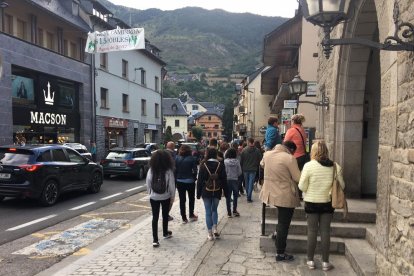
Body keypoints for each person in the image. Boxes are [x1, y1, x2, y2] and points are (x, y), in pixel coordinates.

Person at [298, 140, 345, 271]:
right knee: (325, 232)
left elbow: (301, 186)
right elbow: (343, 185)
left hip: (311, 203)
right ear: (326, 151)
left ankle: (310, 261)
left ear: (313, 152)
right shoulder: (335, 166)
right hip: (327, 204)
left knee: (312, 231)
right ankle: (325, 262)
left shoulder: (308, 166)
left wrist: (310, 188)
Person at [259, 141, 301, 262]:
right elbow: (297, 178)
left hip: (270, 193)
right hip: (285, 194)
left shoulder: (267, 154)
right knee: (284, 223)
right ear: (291, 149)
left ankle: (277, 235)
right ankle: (280, 253)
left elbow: (262, 164)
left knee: (281, 222)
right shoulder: (289, 158)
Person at [146, 150, 176, 248]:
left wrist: (150, 193)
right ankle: (165, 232)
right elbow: (172, 185)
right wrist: (172, 196)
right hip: (165, 196)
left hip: (154, 197)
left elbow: (148, 183)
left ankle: (155, 239)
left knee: (155, 217)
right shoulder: (168, 170)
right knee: (165, 215)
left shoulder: (151, 169)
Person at [197, 147, 227, 240]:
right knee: (214, 210)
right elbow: (224, 180)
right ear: (216, 154)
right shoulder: (220, 165)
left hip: (206, 191)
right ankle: (215, 229)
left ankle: (209, 234)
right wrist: (225, 191)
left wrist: (198, 194)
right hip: (217, 190)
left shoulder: (203, 165)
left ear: (207, 154)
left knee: (208, 211)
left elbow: (199, 180)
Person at [175, 144, 199, 223]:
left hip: (179, 181)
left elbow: (175, 170)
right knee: (191, 198)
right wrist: (194, 177)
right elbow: (195, 170)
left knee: (182, 199)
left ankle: (184, 217)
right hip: (190, 181)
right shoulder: (192, 159)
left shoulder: (177, 158)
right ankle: (191, 214)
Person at [240, 138, 262, 202]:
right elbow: (260, 160)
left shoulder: (244, 150)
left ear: (248, 142)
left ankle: (248, 195)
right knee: (251, 183)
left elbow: (241, 160)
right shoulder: (257, 150)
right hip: (253, 169)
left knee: (246, 183)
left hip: (245, 169)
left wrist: (242, 167)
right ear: (253, 142)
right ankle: (249, 197)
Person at [224, 148, 242, 217]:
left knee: (228, 196)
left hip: (227, 180)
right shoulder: (237, 162)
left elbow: (224, 171)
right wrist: (235, 175)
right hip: (235, 180)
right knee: (235, 196)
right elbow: (240, 172)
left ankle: (229, 212)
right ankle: (234, 210)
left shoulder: (225, 162)